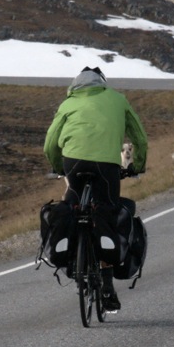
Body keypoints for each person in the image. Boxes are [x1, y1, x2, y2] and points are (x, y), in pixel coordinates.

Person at [43, 66, 148, 312]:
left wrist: (59, 167)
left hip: (73, 164)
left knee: (71, 206)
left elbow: (50, 143)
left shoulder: (68, 103)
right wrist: (137, 166)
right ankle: (108, 286)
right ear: (102, 83)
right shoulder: (117, 99)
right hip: (106, 167)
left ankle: (73, 261)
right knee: (106, 214)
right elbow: (140, 138)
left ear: (75, 85)